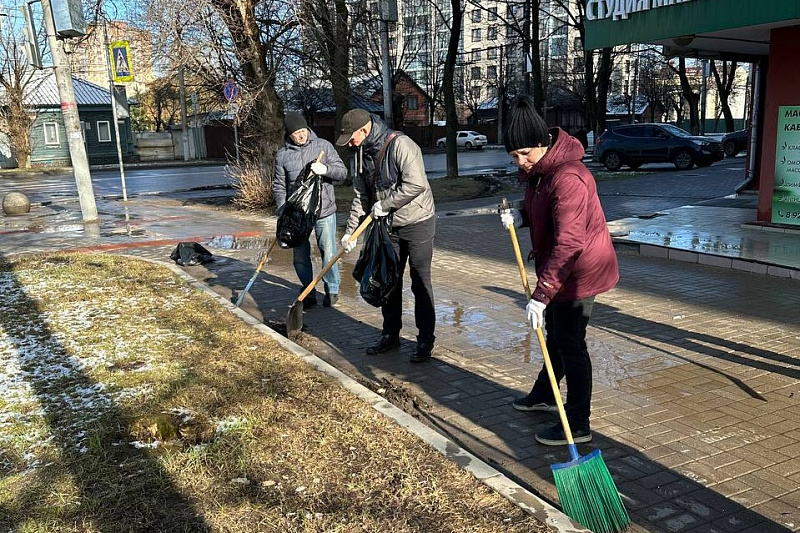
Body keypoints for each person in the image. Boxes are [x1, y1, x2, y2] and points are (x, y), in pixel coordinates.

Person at [499, 95, 619, 446]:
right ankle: (545, 395)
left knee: (571, 344)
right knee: (556, 336)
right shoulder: (541, 172)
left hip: (579, 272)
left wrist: (541, 296)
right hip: (560, 269)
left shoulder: (568, 178)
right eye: (514, 156)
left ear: (543, 143)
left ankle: (579, 423)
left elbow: (569, 243)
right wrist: (521, 215)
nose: (521, 163)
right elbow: (543, 207)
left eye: (525, 154)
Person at [335, 109, 436, 363]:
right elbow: (360, 196)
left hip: (418, 221)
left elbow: (416, 184)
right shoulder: (358, 154)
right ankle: (390, 334)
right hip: (388, 225)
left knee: (420, 281)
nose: (350, 143)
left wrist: (386, 204)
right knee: (388, 280)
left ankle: (425, 339)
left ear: (364, 130)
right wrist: (351, 233)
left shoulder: (401, 144)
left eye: (351, 137)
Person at [274, 112, 347, 308]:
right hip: (297, 214)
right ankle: (308, 291)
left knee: (328, 251)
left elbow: (342, 173)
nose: (301, 135)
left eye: (303, 131)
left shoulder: (323, 146)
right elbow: (279, 186)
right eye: (296, 133)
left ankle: (332, 290)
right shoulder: (282, 156)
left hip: (324, 210)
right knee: (300, 256)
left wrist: (326, 170)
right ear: (289, 134)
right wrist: (282, 210)